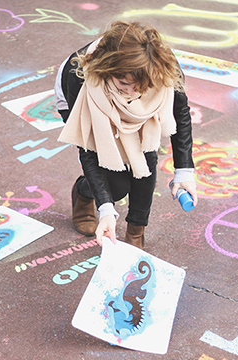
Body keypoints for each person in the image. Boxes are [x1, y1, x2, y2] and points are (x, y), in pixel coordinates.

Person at [55, 20, 197, 249]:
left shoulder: (162, 66)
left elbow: (180, 113)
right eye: (123, 84)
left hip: (141, 111)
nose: (130, 94)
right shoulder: (79, 75)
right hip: (89, 99)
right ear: (108, 70)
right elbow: (88, 149)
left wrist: (184, 172)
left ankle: (136, 231)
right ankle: (83, 192)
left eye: (138, 87)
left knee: (146, 159)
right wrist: (106, 208)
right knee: (116, 186)